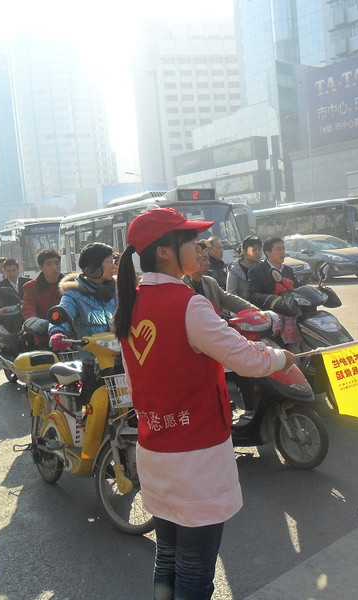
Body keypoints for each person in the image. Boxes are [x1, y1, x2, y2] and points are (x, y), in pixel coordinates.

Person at [113, 207, 295, 600]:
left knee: (168, 556)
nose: (200, 248)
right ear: (165, 251)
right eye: (190, 241)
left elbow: (133, 378)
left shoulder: (131, 303)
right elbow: (247, 360)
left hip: (155, 447)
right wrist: (281, 357)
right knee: (195, 569)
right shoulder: (188, 304)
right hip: (196, 453)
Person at [49, 242, 116, 351]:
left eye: (113, 261)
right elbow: (63, 313)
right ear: (95, 267)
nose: (114, 266)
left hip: (120, 356)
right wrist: (57, 332)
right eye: (109, 262)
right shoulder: (74, 294)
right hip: (91, 358)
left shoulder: (117, 291)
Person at [183, 241, 256, 317]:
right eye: (204, 259)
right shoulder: (182, 284)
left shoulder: (210, 283)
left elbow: (231, 300)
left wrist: (256, 311)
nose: (208, 263)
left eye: (208, 259)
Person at [22, 248, 63, 348]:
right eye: (49, 264)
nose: (54, 268)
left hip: (71, 335)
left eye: (57, 263)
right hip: (44, 336)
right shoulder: (31, 287)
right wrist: (38, 324)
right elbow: (28, 310)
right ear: (41, 267)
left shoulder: (70, 284)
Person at [246, 236, 300, 311]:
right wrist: (274, 300)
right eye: (278, 249)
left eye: (283, 249)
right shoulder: (256, 271)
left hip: (291, 311)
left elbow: (298, 288)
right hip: (270, 313)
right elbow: (254, 296)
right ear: (268, 253)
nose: (282, 252)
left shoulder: (288, 270)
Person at [226, 235, 263, 302]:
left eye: (259, 249)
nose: (258, 253)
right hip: (241, 306)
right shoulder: (234, 270)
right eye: (254, 250)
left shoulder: (262, 267)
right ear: (244, 252)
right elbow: (231, 294)